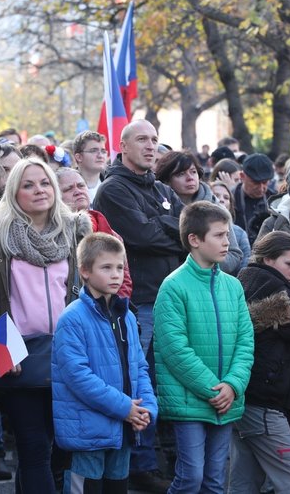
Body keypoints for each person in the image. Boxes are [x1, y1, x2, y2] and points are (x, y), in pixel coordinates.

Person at [0, 158, 91, 492]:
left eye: (45, 183)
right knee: (34, 449)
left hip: (68, 358)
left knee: (60, 453)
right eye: (28, 184)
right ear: (14, 192)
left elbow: (90, 292)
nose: (39, 190)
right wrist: (5, 347)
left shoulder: (75, 231)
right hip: (20, 359)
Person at [92, 120, 184, 492]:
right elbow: (142, 237)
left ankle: (167, 457)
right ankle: (141, 465)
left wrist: (164, 224)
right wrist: (170, 229)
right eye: (142, 140)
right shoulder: (113, 189)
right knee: (139, 381)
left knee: (170, 379)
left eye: (155, 140)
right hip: (139, 300)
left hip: (171, 299)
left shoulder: (162, 188)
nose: (151, 146)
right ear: (123, 146)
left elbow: (187, 229)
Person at [153, 201, 254, 494]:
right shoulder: (173, 286)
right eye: (220, 235)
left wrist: (233, 385)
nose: (227, 242)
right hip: (191, 400)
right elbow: (174, 348)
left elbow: (245, 341)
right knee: (191, 477)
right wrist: (215, 389)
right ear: (194, 240)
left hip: (226, 397)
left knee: (214, 479)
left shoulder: (233, 286)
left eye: (228, 234)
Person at [52, 233, 157, 494]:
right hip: (88, 432)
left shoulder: (127, 317)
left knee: (116, 488)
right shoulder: (72, 318)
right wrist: (124, 407)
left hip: (123, 427)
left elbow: (139, 367)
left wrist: (147, 409)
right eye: (106, 267)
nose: (115, 275)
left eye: (120, 267)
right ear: (85, 271)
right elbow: (78, 376)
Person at [230, 231, 290, 494]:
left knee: (244, 480)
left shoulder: (247, 280)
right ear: (268, 259)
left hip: (246, 399)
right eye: (289, 264)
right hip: (264, 403)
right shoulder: (271, 286)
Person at [156, 151, 244, 273]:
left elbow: (234, 254)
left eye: (193, 172)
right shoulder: (158, 207)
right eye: (181, 173)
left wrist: (205, 263)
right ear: (167, 180)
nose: (190, 178)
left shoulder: (217, 208)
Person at [56, 168, 132, 298]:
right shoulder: (53, 236)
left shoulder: (111, 234)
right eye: (69, 189)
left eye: (81, 186)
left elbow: (124, 282)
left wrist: (114, 309)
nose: (78, 191)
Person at [231, 153, 276, 244]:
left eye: (265, 182)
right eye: (255, 182)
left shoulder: (275, 201)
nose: (261, 188)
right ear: (242, 176)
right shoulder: (230, 200)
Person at [73, 131, 108, 203]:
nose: (100, 156)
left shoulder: (113, 185)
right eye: (93, 151)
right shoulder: (68, 187)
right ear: (79, 157)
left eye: (103, 151)